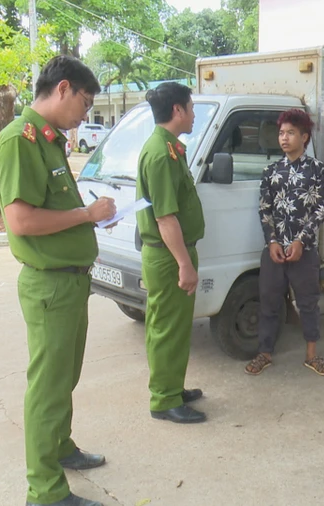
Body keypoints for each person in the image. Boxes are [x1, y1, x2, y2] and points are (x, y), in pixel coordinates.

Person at [0, 55, 115, 506]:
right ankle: (44, 491)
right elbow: (21, 220)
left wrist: (88, 223)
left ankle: (61, 447)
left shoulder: (49, 141)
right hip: (49, 286)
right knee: (47, 388)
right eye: (85, 102)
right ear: (63, 89)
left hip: (70, 282)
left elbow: (54, 211)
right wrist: (86, 214)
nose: (87, 113)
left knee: (65, 377)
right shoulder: (20, 141)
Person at [136, 82, 207, 424]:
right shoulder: (161, 153)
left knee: (175, 327)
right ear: (177, 110)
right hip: (168, 256)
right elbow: (165, 217)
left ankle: (172, 387)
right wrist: (184, 264)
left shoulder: (170, 148)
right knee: (166, 327)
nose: (193, 115)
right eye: (191, 108)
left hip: (173, 253)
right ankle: (164, 399)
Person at [245, 109, 324, 376]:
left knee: (308, 302)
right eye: (281, 133)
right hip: (273, 252)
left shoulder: (318, 170)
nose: (284, 138)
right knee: (269, 302)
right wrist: (272, 242)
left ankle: (311, 355)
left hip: (303, 253)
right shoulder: (271, 172)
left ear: (304, 137)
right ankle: (265, 353)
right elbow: (265, 209)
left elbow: (320, 211)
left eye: (291, 133)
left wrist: (301, 242)